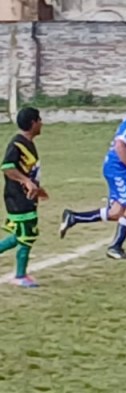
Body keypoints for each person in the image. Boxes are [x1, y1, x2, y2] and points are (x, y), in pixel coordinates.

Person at [59, 83, 126, 259]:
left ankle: (74, 218)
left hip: (120, 167)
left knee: (116, 212)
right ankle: (115, 247)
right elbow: (120, 145)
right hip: (118, 169)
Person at [1, 108, 47, 287]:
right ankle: (20, 276)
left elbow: (27, 171)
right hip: (17, 198)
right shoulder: (17, 144)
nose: (42, 123)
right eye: (39, 120)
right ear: (33, 123)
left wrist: (37, 188)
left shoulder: (28, 143)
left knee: (19, 235)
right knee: (27, 235)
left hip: (26, 197)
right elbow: (7, 167)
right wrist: (26, 182)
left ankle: (21, 275)